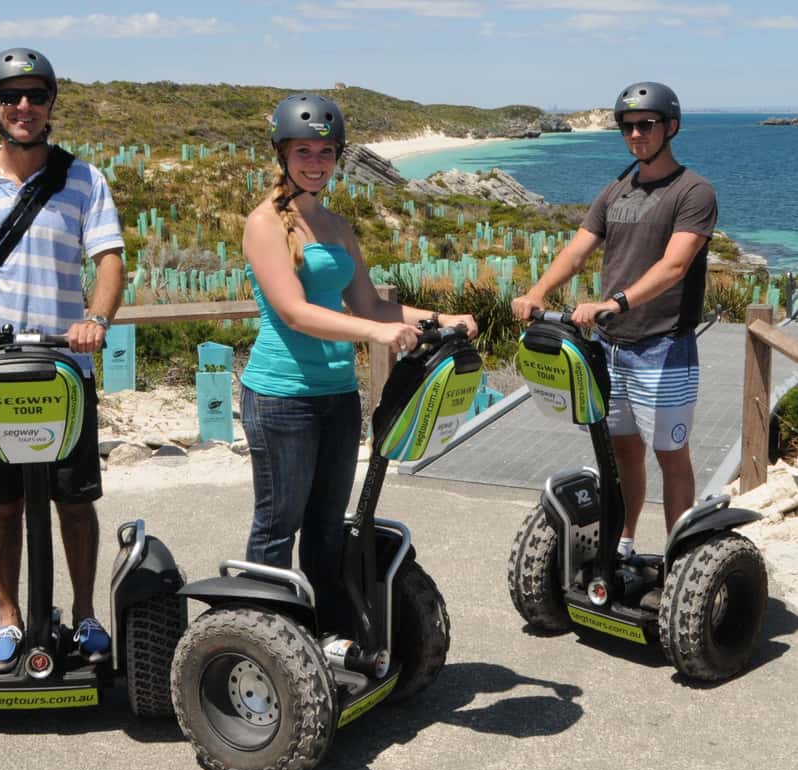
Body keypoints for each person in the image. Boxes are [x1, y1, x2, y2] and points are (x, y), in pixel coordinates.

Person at [240, 93, 477, 630]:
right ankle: (262, 634)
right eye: (304, 151)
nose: (315, 162)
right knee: (278, 525)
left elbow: (370, 303)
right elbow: (295, 312)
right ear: (283, 154)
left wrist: (441, 317)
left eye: (326, 152)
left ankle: (322, 631)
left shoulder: (336, 226)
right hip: (281, 396)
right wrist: (376, 332)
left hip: (338, 396)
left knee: (327, 525)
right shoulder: (266, 224)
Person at [0, 47, 125, 670]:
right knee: (3, 502)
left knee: (75, 499)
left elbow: (110, 261)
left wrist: (95, 320)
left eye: (36, 96)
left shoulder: (84, 179)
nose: (23, 107)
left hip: (66, 370)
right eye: (10, 97)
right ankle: (10, 619)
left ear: (49, 106)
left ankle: (87, 613)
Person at [512, 81, 717, 559]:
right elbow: (578, 250)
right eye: (627, 126)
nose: (636, 134)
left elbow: (675, 266)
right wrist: (537, 292)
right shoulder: (616, 189)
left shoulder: (694, 191)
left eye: (646, 125)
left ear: (671, 127)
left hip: (664, 345)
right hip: (611, 348)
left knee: (672, 457)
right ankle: (622, 545)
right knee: (621, 452)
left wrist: (616, 301)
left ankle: (678, 559)